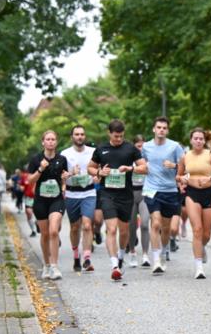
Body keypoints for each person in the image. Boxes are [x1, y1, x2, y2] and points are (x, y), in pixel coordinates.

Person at [88, 119, 147, 281]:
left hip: (126, 195)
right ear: (109, 134)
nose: (118, 139)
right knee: (111, 229)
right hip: (107, 195)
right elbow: (90, 168)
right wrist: (99, 172)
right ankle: (114, 265)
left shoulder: (130, 149)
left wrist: (131, 168)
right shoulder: (101, 149)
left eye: (121, 136)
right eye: (115, 136)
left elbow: (144, 168)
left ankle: (121, 255)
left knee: (125, 231)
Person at [177, 128, 211, 278]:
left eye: (201, 139)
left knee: (206, 233)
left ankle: (202, 246)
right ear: (191, 140)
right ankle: (199, 268)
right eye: (195, 138)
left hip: (208, 194)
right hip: (192, 194)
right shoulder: (185, 156)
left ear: (204, 141)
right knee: (197, 229)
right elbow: (178, 175)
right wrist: (181, 179)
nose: (198, 141)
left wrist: (210, 179)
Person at [140, 117, 185, 274]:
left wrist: (174, 166)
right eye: (158, 127)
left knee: (166, 228)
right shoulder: (146, 147)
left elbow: (185, 168)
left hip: (170, 190)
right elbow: (140, 164)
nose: (161, 130)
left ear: (167, 130)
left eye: (164, 128)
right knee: (156, 223)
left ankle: (164, 250)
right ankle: (156, 260)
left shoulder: (175, 147)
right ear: (154, 129)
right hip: (152, 189)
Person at [26, 131, 68, 280]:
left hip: (56, 199)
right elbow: (30, 180)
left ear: (56, 142)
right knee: (44, 234)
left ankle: (55, 266)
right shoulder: (36, 159)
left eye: (53, 139)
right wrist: (40, 169)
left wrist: (65, 180)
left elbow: (64, 179)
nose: (50, 142)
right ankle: (46, 265)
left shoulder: (62, 159)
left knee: (54, 231)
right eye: (48, 139)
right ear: (43, 142)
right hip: (41, 201)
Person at [61, 125, 97, 273]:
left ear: (85, 136)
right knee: (75, 227)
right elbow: (61, 176)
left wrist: (97, 176)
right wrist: (70, 173)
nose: (80, 137)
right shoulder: (65, 154)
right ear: (72, 137)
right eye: (77, 134)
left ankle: (87, 258)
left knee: (87, 225)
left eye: (82, 134)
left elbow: (97, 169)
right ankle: (76, 256)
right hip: (72, 193)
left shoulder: (93, 152)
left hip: (88, 192)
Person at [125, 134, 150, 268]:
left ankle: (145, 255)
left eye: (143, 146)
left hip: (144, 193)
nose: (141, 149)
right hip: (131, 193)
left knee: (145, 224)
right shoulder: (129, 159)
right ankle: (133, 253)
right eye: (138, 146)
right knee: (132, 225)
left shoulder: (147, 159)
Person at [21, 168, 38, 236]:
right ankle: (33, 230)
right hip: (28, 197)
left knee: (38, 215)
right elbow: (22, 184)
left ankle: (38, 223)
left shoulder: (39, 175)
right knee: (29, 213)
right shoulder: (25, 176)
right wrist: (21, 187)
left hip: (38, 198)